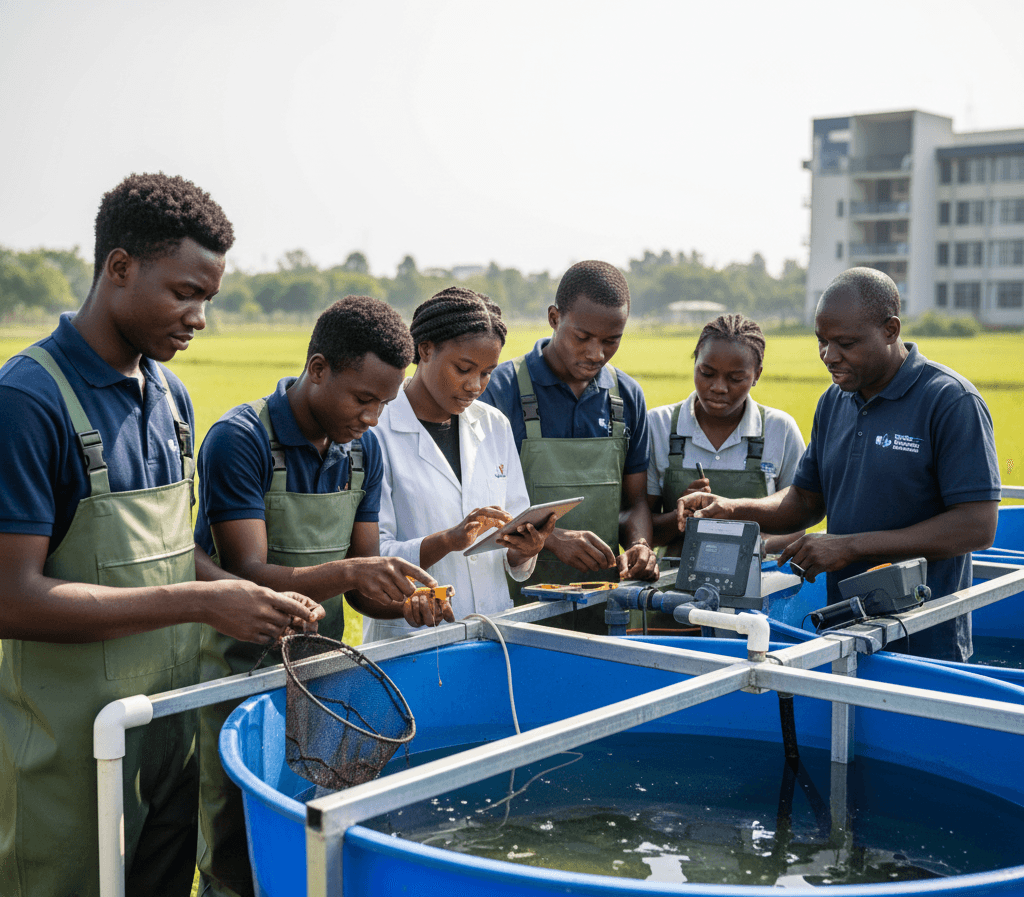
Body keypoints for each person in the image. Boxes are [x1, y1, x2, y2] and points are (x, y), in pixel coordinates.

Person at [0, 173, 322, 897]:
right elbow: (10, 598)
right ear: (119, 269)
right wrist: (199, 604)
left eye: (208, 297)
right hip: (66, 759)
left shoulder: (171, 398)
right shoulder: (27, 401)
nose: (200, 316)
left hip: (167, 735)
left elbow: (170, 555)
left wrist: (235, 591)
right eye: (184, 292)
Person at [193, 295, 452, 897]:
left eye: (384, 404)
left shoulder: (364, 451)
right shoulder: (242, 439)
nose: (372, 416)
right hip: (233, 672)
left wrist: (404, 605)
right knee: (233, 841)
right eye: (363, 399)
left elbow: (363, 595)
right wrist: (354, 572)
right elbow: (248, 571)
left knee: (310, 831)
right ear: (317, 369)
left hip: (320, 681)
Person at [680, 268, 1000, 661]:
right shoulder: (834, 402)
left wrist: (850, 546)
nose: (829, 356)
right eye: (822, 341)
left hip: (925, 638)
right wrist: (732, 508)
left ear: (890, 330)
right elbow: (806, 500)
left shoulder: (949, 402)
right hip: (846, 635)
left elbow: (977, 526)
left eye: (845, 343)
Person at [364, 287, 554, 642]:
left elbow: (512, 529)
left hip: (493, 630)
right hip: (410, 637)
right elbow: (373, 555)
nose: (475, 385)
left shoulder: (494, 425)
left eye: (486, 373)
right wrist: (448, 540)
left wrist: (524, 552)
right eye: (464, 369)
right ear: (425, 349)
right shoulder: (378, 431)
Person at [479, 260, 657, 631]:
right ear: (554, 318)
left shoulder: (627, 396)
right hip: (514, 609)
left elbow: (635, 502)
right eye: (583, 337)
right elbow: (481, 510)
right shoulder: (500, 389)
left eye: (611, 341)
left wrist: (640, 545)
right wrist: (553, 538)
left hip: (604, 606)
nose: (596, 353)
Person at [647, 314, 806, 559]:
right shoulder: (659, 425)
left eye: (735, 379)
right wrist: (681, 514)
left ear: (757, 375)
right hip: (674, 582)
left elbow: (798, 522)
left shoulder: (780, 429)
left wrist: (753, 548)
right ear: (695, 363)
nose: (719, 387)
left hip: (755, 583)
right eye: (707, 373)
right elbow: (641, 531)